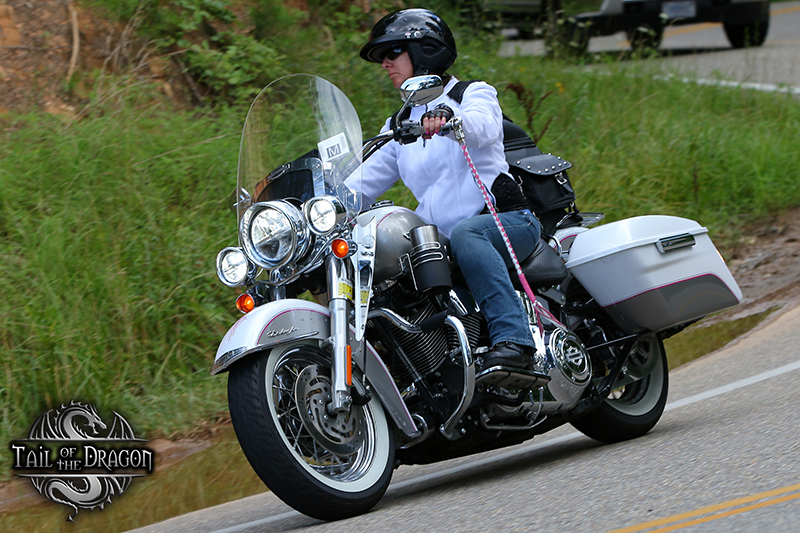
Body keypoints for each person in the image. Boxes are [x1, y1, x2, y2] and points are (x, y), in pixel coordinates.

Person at [357, 8, 542, 369]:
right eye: (381, 57)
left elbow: (486, 126)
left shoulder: (471, 93)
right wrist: (316, 202)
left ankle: (514, 340)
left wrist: (449, 121)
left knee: (467, 235)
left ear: (424, 51)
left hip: (503, 222)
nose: (384, 64)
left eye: (392, 53)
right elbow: (361, 182)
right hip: (441, 239)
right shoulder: (399, 126)